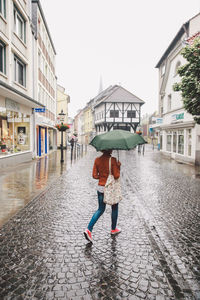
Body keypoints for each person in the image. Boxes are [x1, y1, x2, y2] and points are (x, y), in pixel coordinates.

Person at [84, 149, 121, 243]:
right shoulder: (113, 160)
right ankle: (113, 229)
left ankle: (89, 229)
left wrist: (102, 176)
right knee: (115, 207)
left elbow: (94, 175)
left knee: (100, 209)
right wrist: (118, 166)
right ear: (111, 149)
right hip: (110, 188)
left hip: (100, 187)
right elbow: (116, 176)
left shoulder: (97, 160)